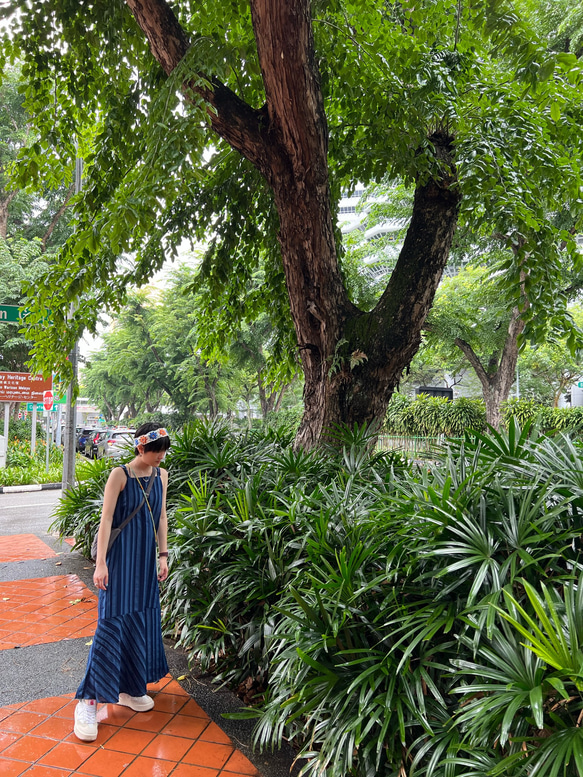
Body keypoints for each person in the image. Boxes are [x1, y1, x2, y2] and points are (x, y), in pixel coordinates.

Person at [74, 422, 171, 742]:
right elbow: (105, 520)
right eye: (156, 451)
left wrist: (163, 555)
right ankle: (88, 701)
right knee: (110, 624)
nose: (160, 456)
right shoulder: (120, 475)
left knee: (139, 621)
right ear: (140, 448)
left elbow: (161, 516)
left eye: (163, 451)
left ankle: (130, 688)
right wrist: (100, 563)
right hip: (118, 562)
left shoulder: (162, 475)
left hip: (144, 563)